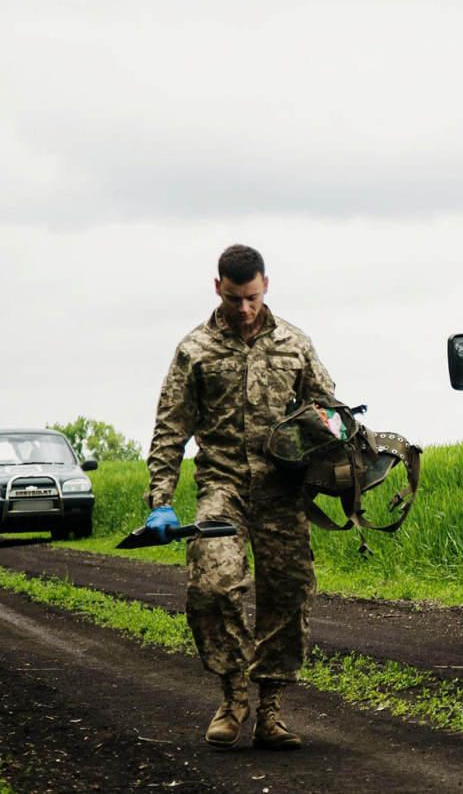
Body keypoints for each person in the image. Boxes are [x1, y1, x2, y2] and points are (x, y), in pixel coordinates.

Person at [144, 244, 338, 750]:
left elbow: (330, 412)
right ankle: (232, 696)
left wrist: (345, 448)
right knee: (210, 585)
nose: (245, 308)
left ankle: (270, 713)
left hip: (282, 491)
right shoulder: (195, 349)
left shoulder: (296, 344)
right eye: (235, 298)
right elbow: (170, 430)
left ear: (266, 285)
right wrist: (159, 500)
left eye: (252, 297)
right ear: (218, 289)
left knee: (288, 595)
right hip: (222, 488)